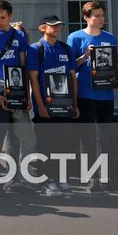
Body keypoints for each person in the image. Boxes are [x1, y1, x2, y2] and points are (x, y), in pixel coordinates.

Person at [0, 1, 35, 192]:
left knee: (17, 136)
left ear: (10, 16)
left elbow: (23, 66)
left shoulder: (19, 36)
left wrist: (26, 95)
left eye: (2, 17)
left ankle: (15, 180)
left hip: (16, 90)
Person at [66, 0, 117, 192]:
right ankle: (91, 177)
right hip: (86, 93)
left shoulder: (110, 38)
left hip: (106, 93)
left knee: (105, 137)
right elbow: (71, 66)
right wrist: (85, 56)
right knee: (87, 137)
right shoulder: (76, 37)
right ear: (86, 17)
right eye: (97, 15)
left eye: (103, 15)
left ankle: (105, 177)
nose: (101, 19)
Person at [29, 15, 80, 195]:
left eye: (59, 25)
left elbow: (72, 77)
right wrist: (40, 105)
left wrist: (75, 103)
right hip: (45, 108)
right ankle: (46, 180)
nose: (57, 29)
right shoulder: (36, 49)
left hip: (65, 106)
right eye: (53, 26)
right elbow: (34, 79)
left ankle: (61, 178)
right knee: (45, 145)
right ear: (43, 27)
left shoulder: (66, 49)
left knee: (64, 145)